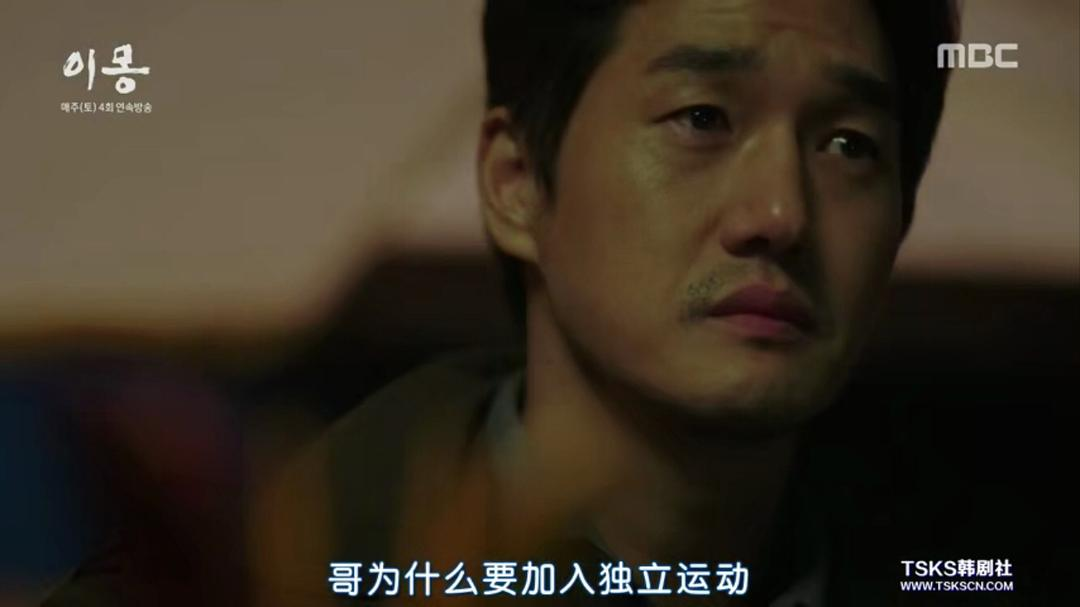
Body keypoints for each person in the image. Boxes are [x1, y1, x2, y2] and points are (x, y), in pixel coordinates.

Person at [48, 1, 966, 605]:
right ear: (516, 183)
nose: (779, 213)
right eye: (702, 118)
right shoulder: (243, 577)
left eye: (849, 145)